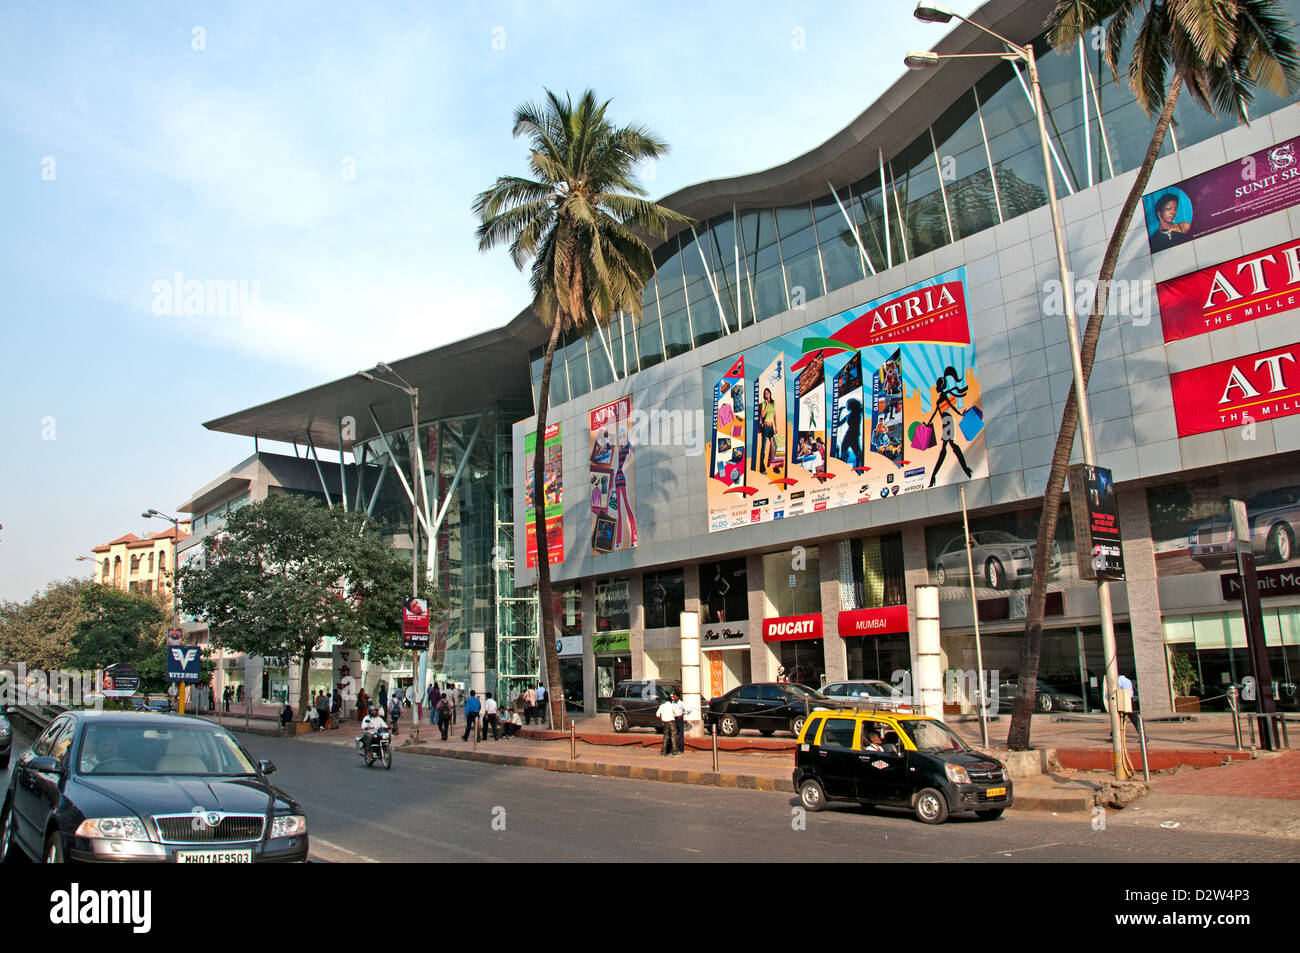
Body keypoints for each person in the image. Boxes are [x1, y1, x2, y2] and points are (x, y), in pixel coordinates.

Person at [927, 367, 973, 488]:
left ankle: (934, 476)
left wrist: (960, 414)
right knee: (949, 447)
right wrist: (927, 423)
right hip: (946, 422)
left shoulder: (944, 397)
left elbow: (952, 408)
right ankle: (966, 469)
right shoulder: (940, 400)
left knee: (946, 449)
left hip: (948, 421)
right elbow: (934, 414)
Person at [670, 691, 687, 756]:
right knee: (674, 733)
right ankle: (674, 747)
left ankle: (681, 748)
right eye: (673, 697)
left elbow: (688, 709)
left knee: (680, 733)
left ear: (678, 697)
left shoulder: (681, 703)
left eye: (674, 697)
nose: (673, 698)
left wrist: (682, 714)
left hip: (679, 718)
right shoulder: (672, 703)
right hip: (674, 718)